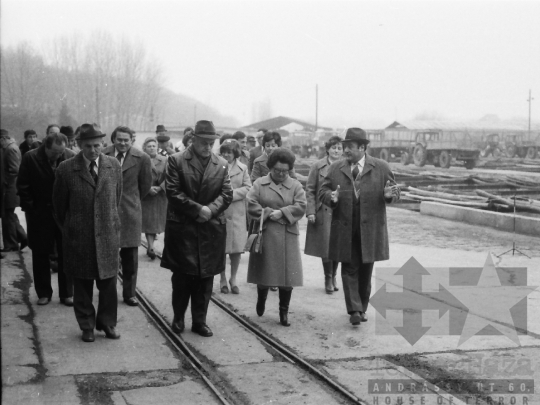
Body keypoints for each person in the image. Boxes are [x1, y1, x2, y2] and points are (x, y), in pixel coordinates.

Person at [319, 128, 400, 326]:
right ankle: (354, 309)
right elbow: (323, 190)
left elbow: (394, 191)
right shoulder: (337, 168)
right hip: (345, 228)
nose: (345, 151)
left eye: (350, 147)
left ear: (362, 147)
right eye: (344, 147)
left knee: (365, 270)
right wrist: (331, 197)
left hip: (370, 229)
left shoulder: (380, 167)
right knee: (349, 268)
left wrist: (389, 195)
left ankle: (362, 308)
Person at [161, 120, 232, 337]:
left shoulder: (221, 163)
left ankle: (199, 321)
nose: (208, 146)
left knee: (205, 279)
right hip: (184, 228)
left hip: (210, 227)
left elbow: (227, 193)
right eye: (204, 142)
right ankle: (179, 318)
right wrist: (197, 210)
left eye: (212, 142)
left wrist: (210, 210)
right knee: (182, 278)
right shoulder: (176, 160)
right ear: (193, 139)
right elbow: (172, 191)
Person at [52, 123, 123, 342]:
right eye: (89, 146)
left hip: (108, 236)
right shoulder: (66, 168)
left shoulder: (113, 166)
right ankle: (87, 326)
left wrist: (110, 225)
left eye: (97, 145)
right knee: (82, 285)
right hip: (79, 238)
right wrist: (72, 230)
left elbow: (116, 201)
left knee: (109, 284)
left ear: (103, 144)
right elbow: (58, 207)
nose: (94, 150)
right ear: (79, 145)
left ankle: (107, 323)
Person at [246, 148, 306, 327]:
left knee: (288, 279)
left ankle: (283, 311)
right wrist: (267, 213)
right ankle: (261, 298)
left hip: (288, 234)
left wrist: (284, 212)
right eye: (277, 170)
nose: (281, 174)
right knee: (265, 274)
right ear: (270, 168)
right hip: (266, 232)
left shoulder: (295, 185)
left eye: (285, 171)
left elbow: (302, 205)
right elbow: (251, 202)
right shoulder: (259, 183)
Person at [17, 132, 75, 306]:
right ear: (45, 147)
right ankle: (43, 292)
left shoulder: (70, 156)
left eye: (61, 152)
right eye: (55, 152)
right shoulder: (31, 157)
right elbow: (23, 185)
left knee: (66, 253)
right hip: (39, 214)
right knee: (41, 253)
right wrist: (32, 209)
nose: (58, 156)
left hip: (64, 214)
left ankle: (67, 293)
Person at [104, 126, 152, 307]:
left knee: (130, 256)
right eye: (119, 139)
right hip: (106, 211)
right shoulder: (103, 155)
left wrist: (131, 201)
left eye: (126, 140)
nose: (123, 143)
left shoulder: (142, 159)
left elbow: (145, 186)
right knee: (108, 254)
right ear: (113, 139)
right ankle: (108, 291)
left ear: (132, 140)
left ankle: (129, 294)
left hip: (130, 213)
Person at [305, 135, 343, 294]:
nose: (337, 150)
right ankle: (328, 277)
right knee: (326, 245)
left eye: (340, 148)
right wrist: (311, 211)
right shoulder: (317, 166)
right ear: (327, 149)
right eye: (334, 147)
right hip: (323, 210)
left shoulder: (346, 166)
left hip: (341, 211)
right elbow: (310, 190)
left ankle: (334, 276)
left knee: (339, 245)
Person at [218, 139, 251, 294]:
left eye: (229, 152)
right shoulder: (216, 166)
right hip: (221, 211)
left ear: (235, 153)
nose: (226, 155)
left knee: (237, 249)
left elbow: (248, 188)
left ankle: (234, 278)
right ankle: (223, 278)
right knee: (221, 248)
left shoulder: (242, 168)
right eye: (224, 151)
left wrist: (232, 194)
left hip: (237, 212)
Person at [0, 129, 27, 252]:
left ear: (4, 138)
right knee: (9, 215)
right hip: (9, 187)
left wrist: (5, 182)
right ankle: (22, 237)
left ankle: (11, 244)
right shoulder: (10, 148)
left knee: (8, 215)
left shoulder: (10, 149)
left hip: (10, 188)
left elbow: (15, 170)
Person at [141, 137, 167, 260]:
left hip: (160, 195)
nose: (152, 148)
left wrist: (161, 188)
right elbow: (137, 177)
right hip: (147, 195)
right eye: (149, 146)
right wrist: (147, 188)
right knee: (149, 221)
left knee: (159, 221)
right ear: (144, 148)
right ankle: (150, 247)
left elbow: (171, 177)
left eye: (154, 146)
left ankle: (158, 247)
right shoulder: (141, 160)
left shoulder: (165, 160)